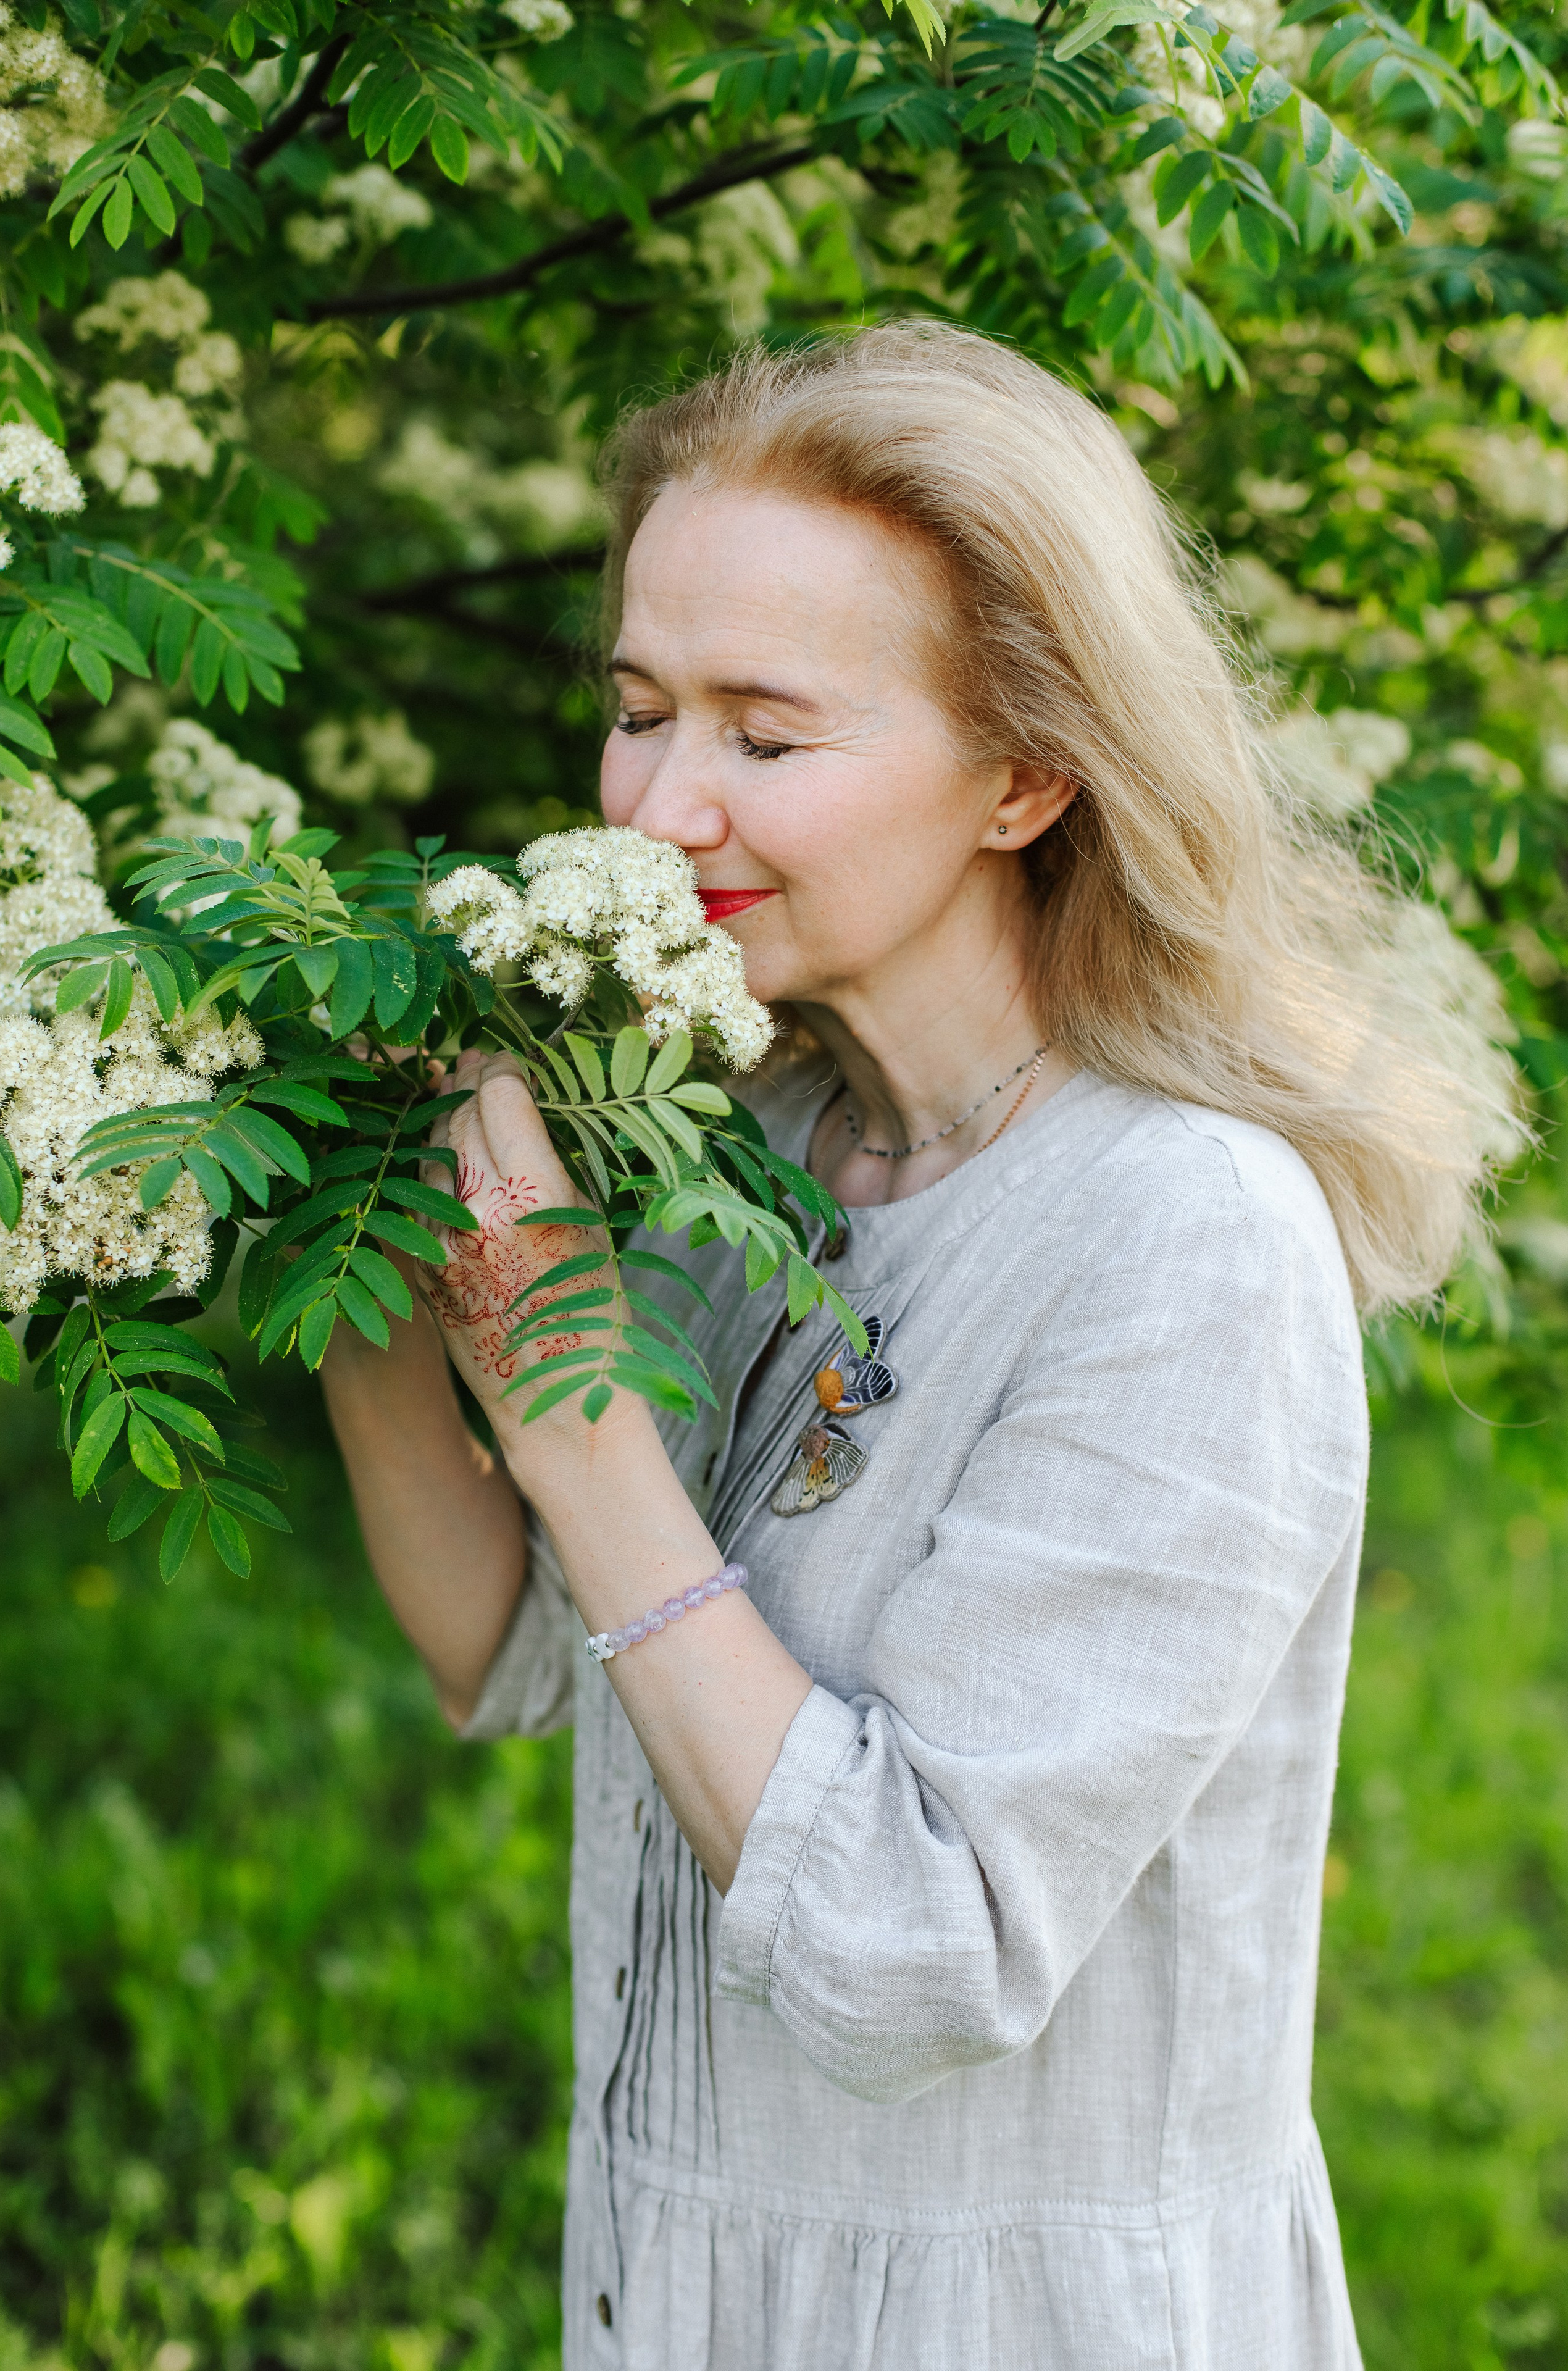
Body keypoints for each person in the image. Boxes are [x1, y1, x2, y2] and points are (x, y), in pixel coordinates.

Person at [320, 324, 1514, 2370]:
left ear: (1027, 775)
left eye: (765, 738)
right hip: (678, 2300)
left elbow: (909, 1948)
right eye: (636, 710)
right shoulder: (765, 1134)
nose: (659, 800)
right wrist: (366, 1253)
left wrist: (566, 1404)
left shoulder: (1182, 1241)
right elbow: (513, 1649)